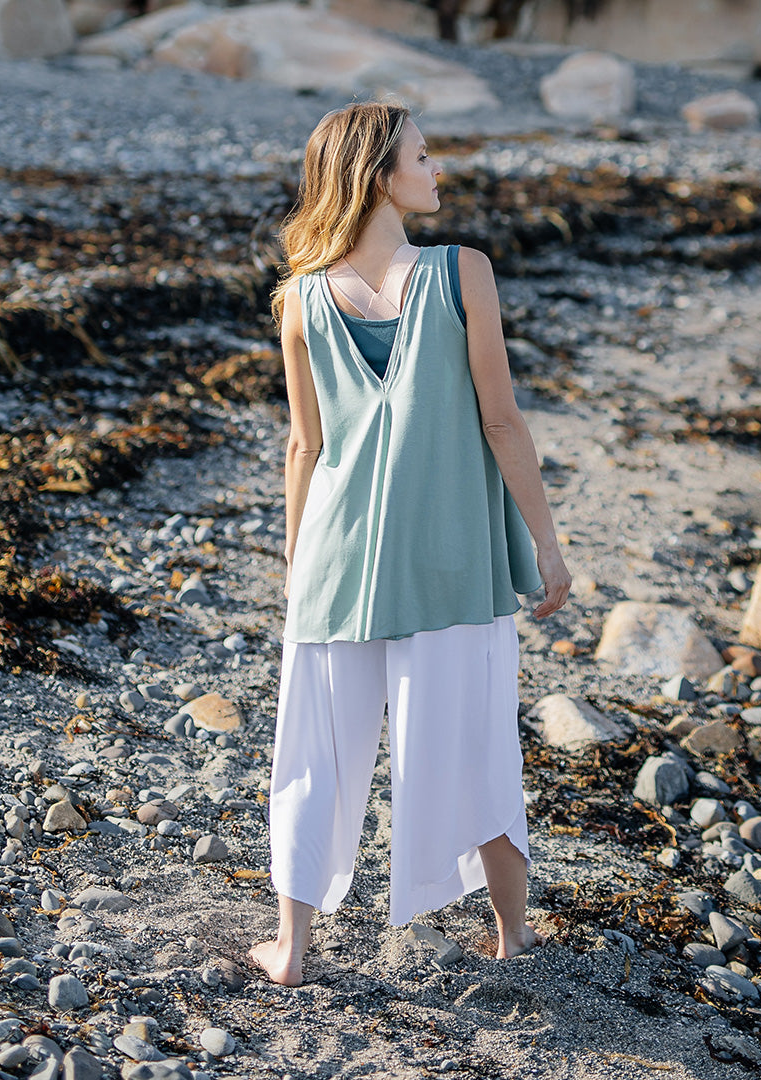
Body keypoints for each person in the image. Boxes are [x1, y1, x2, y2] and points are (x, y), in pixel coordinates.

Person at [249, 101, 571, 987]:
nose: (438, 172)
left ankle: (292, 950)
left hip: (334, 568)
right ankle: (511, 937)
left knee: (315, 754)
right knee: (475, 749)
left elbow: (304, 448)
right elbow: (501, 422)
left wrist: (294, 565)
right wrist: (546, 545)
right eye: (424, 158)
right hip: (451, 568)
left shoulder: (301, 299)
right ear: (381, 176)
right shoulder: (464, 272)